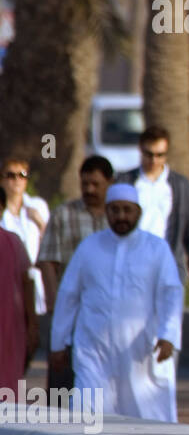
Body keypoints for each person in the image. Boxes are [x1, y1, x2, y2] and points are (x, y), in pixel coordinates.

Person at [50, 184, 184, 421]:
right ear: (107, 211)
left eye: (127, 210)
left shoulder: (156, 249)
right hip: (94, 352)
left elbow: (171, 293)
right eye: (114, 210)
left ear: (138, 212)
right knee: (86, 416)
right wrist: (58, 343)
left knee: (149, 419)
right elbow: (68, 295)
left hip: (140, 353)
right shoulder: (89, 247)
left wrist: (168, 336)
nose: (121, 216)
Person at [37, 155, 112, 392]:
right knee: (63, 382)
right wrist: (54, 305)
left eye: (95, 184)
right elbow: (48, 261)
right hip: (70, 312)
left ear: (109, 183)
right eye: (85, 184)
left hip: (106, 316)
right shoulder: (63, 214)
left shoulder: (118, 218)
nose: (89, 189)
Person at [116, 126, 189, 299]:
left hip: (169, 268)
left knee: (168, 324)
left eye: (160, 155)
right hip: (131, 268)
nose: (154, 160)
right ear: (140, 150)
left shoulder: (180, 185)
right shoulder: (125, 181)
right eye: (149, 154)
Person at [2, 158, 50, 348]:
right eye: (10, 175)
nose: (16, 180)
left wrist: (40, 223)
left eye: (21, 175)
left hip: (33, 281)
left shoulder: (38, 207)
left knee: (32, 340)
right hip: (7, 281)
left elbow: (49, 242)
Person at [0, 228, 37, 391]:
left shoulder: (11, 241)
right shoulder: (11, 240)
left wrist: (33, 325)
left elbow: (27, 282)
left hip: (10, 324)